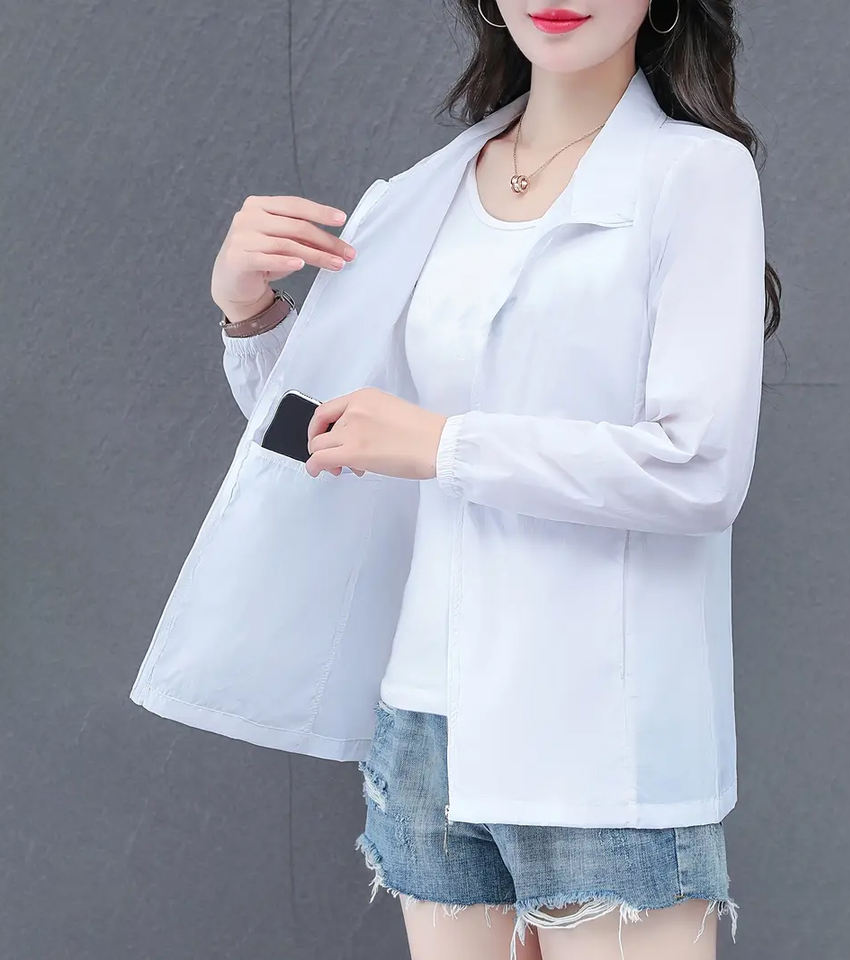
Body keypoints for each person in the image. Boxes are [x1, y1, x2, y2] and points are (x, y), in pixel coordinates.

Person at [131, 2, 782, 958]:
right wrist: (252, 314)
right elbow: (333, 438)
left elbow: (699, 470)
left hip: (600, 721)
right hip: (425, 726)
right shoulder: (428, 192)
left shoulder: (694, 174)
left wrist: (444, 444)